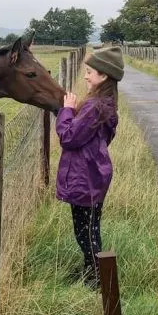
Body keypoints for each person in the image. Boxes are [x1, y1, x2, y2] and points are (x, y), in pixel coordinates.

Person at [55, 45, 124, 289]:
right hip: (94, 175)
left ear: (104, 76)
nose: (85, 76)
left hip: (85, 178)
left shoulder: (94, 107)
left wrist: (66, 111)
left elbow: (69, 137)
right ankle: (91, 270)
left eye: (89, 72)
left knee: (85, 232)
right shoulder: (105, 104)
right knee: (90, 228)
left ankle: (96, 277)